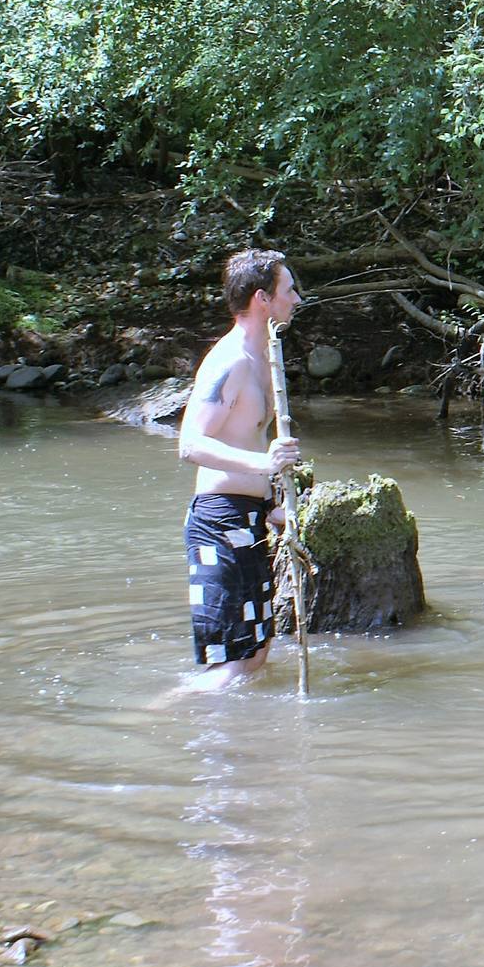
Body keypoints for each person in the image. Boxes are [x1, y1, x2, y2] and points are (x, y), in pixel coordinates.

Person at [175, 248, 303, 688]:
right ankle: (155, 718)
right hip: (217, 521)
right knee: (228, 668)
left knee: (256, 656)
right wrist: (262, 462)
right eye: (289, 290)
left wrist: (273, 505)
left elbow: (244, 437)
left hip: (250, 519)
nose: (297, 300)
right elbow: (190, 444)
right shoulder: (228, 362)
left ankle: (250, 748)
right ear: (262, 299)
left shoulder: (266, 360)